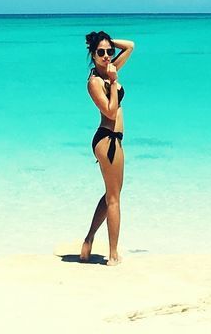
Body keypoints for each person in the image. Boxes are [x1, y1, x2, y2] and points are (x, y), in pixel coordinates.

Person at [80, 30, 135, 265]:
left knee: (112, 195)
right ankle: (112, 255)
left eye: (109, 52)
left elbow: (131, 46)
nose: (105, 56)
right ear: (92, 55)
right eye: (100, 52)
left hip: (114, 139)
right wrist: (113, 82)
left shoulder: (109, 70)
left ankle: (89, 240)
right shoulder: (95, 82)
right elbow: (110, 111)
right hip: (107, 140)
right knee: (114, 199)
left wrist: (110, 43)